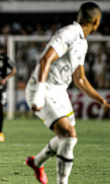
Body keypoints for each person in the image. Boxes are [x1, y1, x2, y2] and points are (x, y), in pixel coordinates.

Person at [24, 2, 110, 184]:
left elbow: (79, 79)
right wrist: (39, 93)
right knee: (69, 134)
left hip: (59, 91)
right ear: (96, 21)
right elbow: (45, 58)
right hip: (43, 88)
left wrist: (102, 101)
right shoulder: (69, 33)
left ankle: (36, 162)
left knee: (68, 137)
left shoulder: (82, 42)